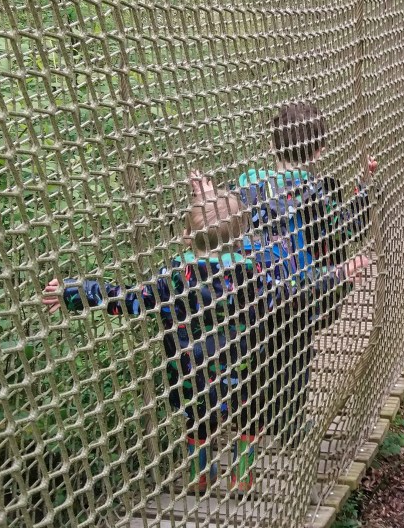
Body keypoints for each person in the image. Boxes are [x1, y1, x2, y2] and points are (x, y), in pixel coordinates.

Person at [42, 173, 257, 495]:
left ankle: (201, 477)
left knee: (197, 421)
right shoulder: (250, 271)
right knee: (246, 417)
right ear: (242, 238)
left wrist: (75, 291)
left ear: (186, 237)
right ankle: (242, 478)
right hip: (241, 367)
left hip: (190, 371)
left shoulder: (173, 277)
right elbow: (284, 292)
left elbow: (127, 300)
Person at [236, 101, 376, 449]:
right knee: (295, 356)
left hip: (253, 289)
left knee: (258, 354)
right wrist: (364, 189)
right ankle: (290, 426)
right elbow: (347, 229)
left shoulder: (245, 185)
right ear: (318, 151)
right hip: (300, 290)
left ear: (272, 145)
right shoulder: (317, 190)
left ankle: (252, 425)